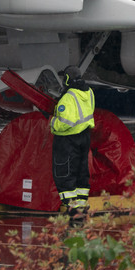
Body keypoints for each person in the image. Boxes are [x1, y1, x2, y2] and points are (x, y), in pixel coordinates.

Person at [50, 65, 95, 217]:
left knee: (65, 171)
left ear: (67, 79)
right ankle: (81, 204)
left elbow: (64, 123)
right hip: (84, 135)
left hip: (68, 139)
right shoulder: (88, 92)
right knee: (81, 171)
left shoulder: (68, 97)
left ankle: (71, 206)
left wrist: (52, 123)